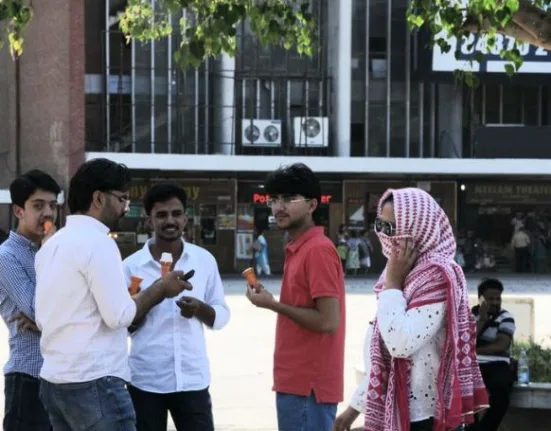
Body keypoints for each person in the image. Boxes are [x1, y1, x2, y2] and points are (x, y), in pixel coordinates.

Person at [35, 158, 192, 431]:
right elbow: (119, 316)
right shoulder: (99, 244)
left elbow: (43, 317)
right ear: (98, 198)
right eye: (122, 199)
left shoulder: (51, 245)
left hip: (54, 381)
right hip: (95, 383)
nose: (124, 209)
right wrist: (161, 288)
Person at [333, 188, 488, 431]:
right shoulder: (403, 271)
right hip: (401, 410)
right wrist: (353, 410)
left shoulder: (435, 275)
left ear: (418, 228)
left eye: (392, 228)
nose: (385, 236)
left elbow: (399, 343)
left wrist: (393, 283)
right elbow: (385, 357)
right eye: (380, 226)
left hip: (424, 417)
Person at [245, 163, 346, 431]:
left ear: (312, 205)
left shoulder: (317, 250)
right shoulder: (299, 247)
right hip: (297, 382)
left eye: (289, 199)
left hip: (308, 385)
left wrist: (273, 305)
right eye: (274, 200)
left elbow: (328, 321)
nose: (279, 207)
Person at [123, 183, 230, 430]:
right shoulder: (130, 267)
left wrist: (199, 309)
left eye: (176, 213)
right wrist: (151, 298)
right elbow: (121, 324)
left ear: (185, 218)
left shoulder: (203, 260)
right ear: (149, 221)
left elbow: (222, 314)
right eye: (161, 215)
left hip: (192, 379)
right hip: (145, 381)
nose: (170, 220)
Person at [0, 170, 60, 430]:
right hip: (28, 377)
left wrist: (43, 322)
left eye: (53, 206)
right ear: (18, 211)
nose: (48, 213)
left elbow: (76, 303)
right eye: (38, 205)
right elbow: (37, 309)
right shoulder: (6, 256)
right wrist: (44, 318)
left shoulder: (54, 250)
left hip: (61, 376)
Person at [471, 278, 516, 431]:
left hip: (497, 364)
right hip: (472, 364)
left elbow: (500, 346)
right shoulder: (469, 316)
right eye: (490, 299)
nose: (495, 302)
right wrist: (482, 320)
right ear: (480, 299)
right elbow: (466, 341)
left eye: (498, 298)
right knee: (467, 397)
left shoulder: (506, 317)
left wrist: (472, 350)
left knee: (501, 394)